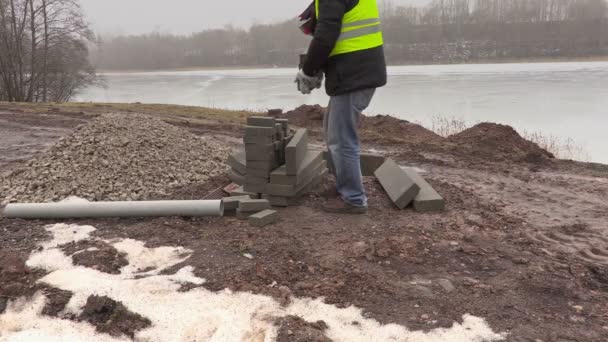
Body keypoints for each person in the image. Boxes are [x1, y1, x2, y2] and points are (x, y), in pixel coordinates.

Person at [295, 0, 387, 214]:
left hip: (354, 75)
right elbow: (333, 29)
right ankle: (344, 188)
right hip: (356, 72)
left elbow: (326, 35)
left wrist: (308, 70)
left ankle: (353, 198)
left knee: (342, 139)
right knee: (333, 132)